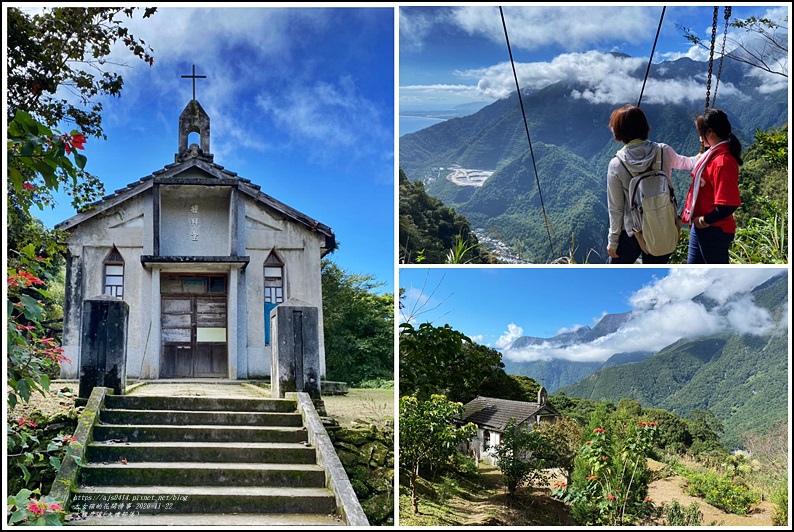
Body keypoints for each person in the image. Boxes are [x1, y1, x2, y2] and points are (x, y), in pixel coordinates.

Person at [606, 104, 697, 264]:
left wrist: (613, 242)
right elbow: (686, 163)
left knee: (612, 276)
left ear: (618, 132)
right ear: (644, 126)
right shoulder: (663, 151)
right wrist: (701, 156)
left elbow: (616, 209)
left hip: (631, 233)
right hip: (661, 225)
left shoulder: (616, 164)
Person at [680, 108, 743, 264]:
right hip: (702, 227)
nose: (701, 140)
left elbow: (728, 205)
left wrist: (703, 221)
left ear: (710, 133)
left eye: (701, 135)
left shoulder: (722, 162)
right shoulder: (712, 155)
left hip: (714, 229)